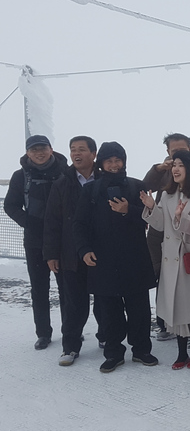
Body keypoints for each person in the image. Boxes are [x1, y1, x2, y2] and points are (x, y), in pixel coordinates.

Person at [74, 142, 158, 373]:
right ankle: (113, 352)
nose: (113, 165)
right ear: (101, 163)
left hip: (135, 258)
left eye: (117, 160)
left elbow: (151, 219)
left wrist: (128, 211)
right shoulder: (90, 190)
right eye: (108, 160)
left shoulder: (136, 186)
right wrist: (84, 249)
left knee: (139, 309)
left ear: (124, 162)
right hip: (103, 260)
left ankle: (141, 350)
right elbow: (79, 224)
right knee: (109, 311)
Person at [141, 150, 190, 370]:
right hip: (171, 260)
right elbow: (160, 225)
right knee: (178, 308)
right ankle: (182, 352)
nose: (175, 169)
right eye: (174, 164)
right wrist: (151, 207)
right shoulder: (167, 194)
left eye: (180, 165)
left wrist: (180, 217)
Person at [43, 135, 105, 365]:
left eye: (81, 149)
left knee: (104, 298)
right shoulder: (62, 183)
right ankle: (70, 347)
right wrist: (50, 254)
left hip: (101, 251)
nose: (76, 154)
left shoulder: (104, 178)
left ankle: (106, 337)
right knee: (73, 303)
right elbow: (52, 221)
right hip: (70, 253)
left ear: (93, 154)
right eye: (72, 150)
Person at [5, 135, 68, 350]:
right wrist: (29, 223)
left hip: (63, 239)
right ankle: (43, 333)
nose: (39, 153)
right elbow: (10, 206)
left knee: (67, 288)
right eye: (34, 150)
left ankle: (71, 330)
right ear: (27, 153)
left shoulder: (65, 172)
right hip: (35, 241)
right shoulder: (20, 176)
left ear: (51, 149)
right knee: (39, 288)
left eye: (43, 148)